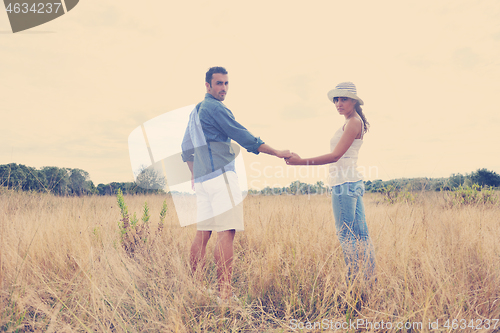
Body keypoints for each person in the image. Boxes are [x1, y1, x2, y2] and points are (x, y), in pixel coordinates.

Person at [181, 66, 291, 301]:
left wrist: (194, 174)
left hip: (203, 181)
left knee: (202, 234)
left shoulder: (195, 111)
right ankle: (225, 295)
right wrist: (277, 152)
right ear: (207, 86)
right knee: (226, 233)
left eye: (226, 83)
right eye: (218, 83)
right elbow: (243, 136)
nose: (223, 88)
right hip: (221, 178)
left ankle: (196, 288)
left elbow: (185, 149)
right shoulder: (215, 108)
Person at [285, 82, 376, 283]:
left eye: (343, 99)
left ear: (354, 101)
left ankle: (354, 284)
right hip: (352, 182)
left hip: (344, 184)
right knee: (361, 236)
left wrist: (300, 162)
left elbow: (335, 156)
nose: (338, 103)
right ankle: (370, 282)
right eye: (336, 99)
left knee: (346, 236)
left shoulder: (353, 122)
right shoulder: (353, 121)